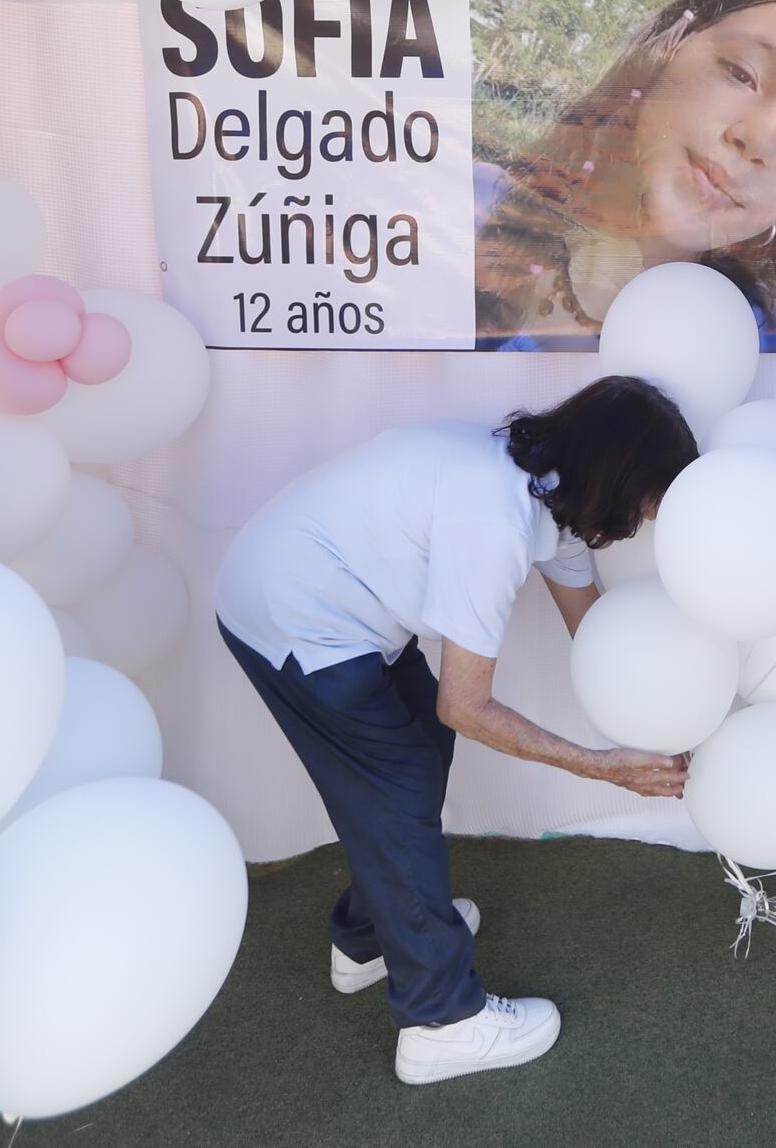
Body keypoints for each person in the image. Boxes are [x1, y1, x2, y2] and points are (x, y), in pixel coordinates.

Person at [214, 377, 698, 1086]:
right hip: (293, 615)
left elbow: (596, 639)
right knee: (401, 780)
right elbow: (465, 706)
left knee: (414, 753)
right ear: (618, 476)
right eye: (653, 495)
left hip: (344, 602)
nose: (653, 515)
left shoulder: (557, 498)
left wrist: (661, 720)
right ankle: (440, 1019)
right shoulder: (493, 520)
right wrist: (603, 766)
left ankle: (367, 936)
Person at [476, 0, 776, 350]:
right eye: (742, 74)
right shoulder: (462, 209)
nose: (759, 140)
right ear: (667, 53)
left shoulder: (767, 339)